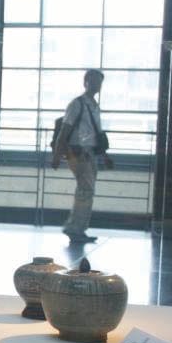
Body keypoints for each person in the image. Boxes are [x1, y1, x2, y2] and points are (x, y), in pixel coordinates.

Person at [51, 69, 114, 244]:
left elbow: (94, 133)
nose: (97, 85)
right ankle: (75, 228)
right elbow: (65, 130)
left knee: (86, 191)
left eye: (99, 82)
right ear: (85, 82)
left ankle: (77, 228)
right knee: (86, 191)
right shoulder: (78, 104)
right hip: (79, 153)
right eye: (94, 81)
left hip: (88, 152)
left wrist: (104, 155)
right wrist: (57, 154)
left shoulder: (92, 105)